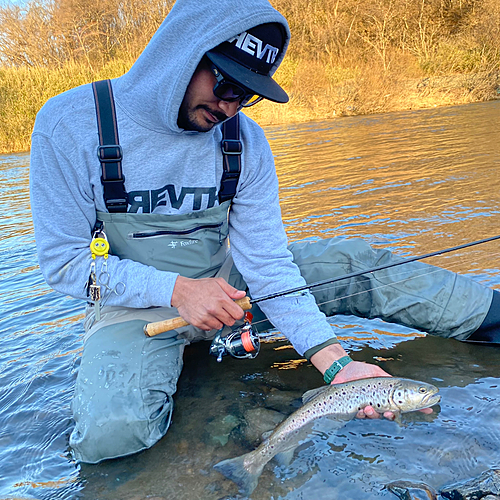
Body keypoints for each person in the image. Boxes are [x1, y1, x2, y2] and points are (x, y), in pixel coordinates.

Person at [29, 0, 499, 464]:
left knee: (353, 263)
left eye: (247, 94)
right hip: (133, 306)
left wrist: (337, 365)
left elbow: (268, 266)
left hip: (231, 286)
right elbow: (64, 264)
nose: (231, 106)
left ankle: (489, 315)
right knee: (110, 438)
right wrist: (176, 290)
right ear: (180, 54)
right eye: (227, 84)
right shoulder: (70, 125)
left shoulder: (244, 140)